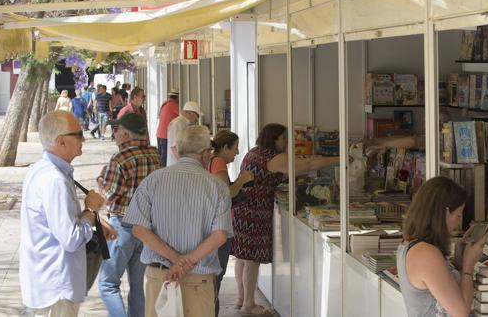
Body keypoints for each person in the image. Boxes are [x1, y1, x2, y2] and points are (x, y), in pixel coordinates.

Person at [124, 125, 232, 317]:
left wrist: (176, 260)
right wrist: (185, 262)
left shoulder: (153, 180)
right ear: (206, 153)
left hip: (160, 276)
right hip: (199, 278)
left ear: (179, 150)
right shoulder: (217, 186)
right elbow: (220, 235)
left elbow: (139, 229)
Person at [232, 123, 339, 316]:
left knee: (243, 257)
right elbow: (307, 165)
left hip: (242, 209)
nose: (287, 142)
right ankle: (248, 304)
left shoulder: (255, 152)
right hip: (255, 213)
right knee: (252, 260)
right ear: (274, 139)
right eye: (284, 138)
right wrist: (338, 158)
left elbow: (302, 161)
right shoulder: (273, 158)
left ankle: (241, 298)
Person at [19, 111, 106, 316]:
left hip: (46, 282)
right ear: (61, 142)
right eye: (78, 134)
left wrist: (91, 218)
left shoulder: (43, 170)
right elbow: (71, 239)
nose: (83, 138)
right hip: (55, 288)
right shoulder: (54, 179)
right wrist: (90, 210)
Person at [97, 113, 161, 317]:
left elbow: (108, 196)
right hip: (146, 229)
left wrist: (100, 180)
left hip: (122, 226)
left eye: (116, 130)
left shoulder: (120, 158)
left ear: (125, 133)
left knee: (108, 284)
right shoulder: (154, 154)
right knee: (137, 286)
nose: (114, 134)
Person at [397, 176, 486, 317]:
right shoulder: (426, 254)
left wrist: (458, 263)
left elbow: (440, 285)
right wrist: (468, 266)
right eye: (458, 215)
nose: (458, 223)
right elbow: (461, 312)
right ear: (444, 213)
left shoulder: (412, 245)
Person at [208, 130, 254, 317]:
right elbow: (226, 192)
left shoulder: (212, 161)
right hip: (220, 226)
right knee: (215, 277)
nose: (236, 153)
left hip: (216, 224)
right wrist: (243, 179)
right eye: (235, 149)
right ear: (225, 147)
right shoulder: (218, 162)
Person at [166, 101, 202, 166]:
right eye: (197, 116)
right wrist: (185, 164)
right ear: (191, 113)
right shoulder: (177, 124)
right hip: (177, 164)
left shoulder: (185, 124)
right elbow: (174, 147)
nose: (197, 119)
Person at [156, 88, 180, 167]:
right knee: (165, 157)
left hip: (159, 133)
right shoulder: (174, 105)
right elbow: (183, 116)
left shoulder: (164, 104)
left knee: (160, 156)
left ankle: (159, 171)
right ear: (177, 97)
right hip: (165, 134)